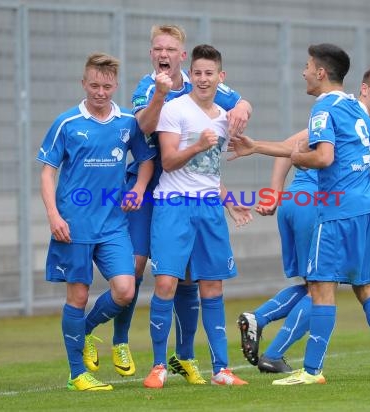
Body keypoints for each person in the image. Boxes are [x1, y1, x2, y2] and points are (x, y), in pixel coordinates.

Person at [229, 48, 370, 384]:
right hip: (367, 211)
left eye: (308, 66)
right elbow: (344, 163)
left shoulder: (324, 107)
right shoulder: (360, 116)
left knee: (321, 290)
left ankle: (309, 370)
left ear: (322, 72)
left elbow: (323, 157)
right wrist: (257, 148)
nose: (304, 72)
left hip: (336, 213)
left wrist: (299, 161)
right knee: (366, 287)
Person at [86, 24, 252, 383]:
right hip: (152, 189)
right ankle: (119, 340)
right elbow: (142, 128)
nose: (163, 54)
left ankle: (189, 357)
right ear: (152, 54)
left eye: (170, 48)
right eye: (157, 48)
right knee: (138, 270)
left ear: (181, 55)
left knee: (197, 281)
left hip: (201, 199)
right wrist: (161, 96)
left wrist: (243, 106)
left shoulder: (204, 93)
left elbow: (235, 105)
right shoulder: (152, 91)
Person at [37, 52, 156, 391]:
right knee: (77, 295)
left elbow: (146, 160)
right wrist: (53, 215)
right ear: (83, 84)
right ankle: (78, 374)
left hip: (113, 225)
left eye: (106, 86)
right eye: (94, 85)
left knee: (125, 289)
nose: (100, 92)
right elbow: (48, 173)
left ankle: (86, 330)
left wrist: (139, 188)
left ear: (115, 85)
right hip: (73, 226)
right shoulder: (67, 123)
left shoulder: (127, 123)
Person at [143, 44, 248, 388]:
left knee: (213, 286)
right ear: (192, 75)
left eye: (210, 73)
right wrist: (198, 145)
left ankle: (221, 370)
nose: (203, 79)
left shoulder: (223, 117)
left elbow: (211, 174)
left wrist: (230, 202)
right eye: (198, 73)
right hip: (173, 204)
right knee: (165, 283)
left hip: (209, 208)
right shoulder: (174, 109)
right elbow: (169, 161)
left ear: (221, 77)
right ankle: (159, 366)